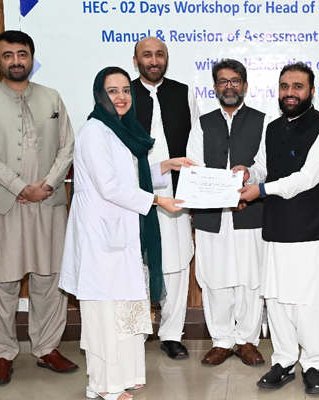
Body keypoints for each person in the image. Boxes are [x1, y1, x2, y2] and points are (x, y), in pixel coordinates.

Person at [59, 66, 195, 400]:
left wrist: (166, 166)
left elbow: (132, 175)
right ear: (99, 95)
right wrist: (158, 200)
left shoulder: (121, 130)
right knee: (106, 312)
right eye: (112, 91)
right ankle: (104, 385)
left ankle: (129, 374)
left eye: (125, 91)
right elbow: (109, 187)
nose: (120, 97)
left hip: (125, 234)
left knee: (129, 307)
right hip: (102, 238)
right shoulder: (94, 132)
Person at [0, 30, 78, 386]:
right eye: (8, 55)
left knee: (49, 280)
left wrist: (45, 185)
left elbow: (67, 147)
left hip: (47, 204)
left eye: (22, 54)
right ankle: (2, 353)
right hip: (5, 206)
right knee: (2, 282)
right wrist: (20, 187)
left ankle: (47, 348)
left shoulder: (52, 98)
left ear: (31, 57)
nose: (16, 61)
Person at [233, 62, 319, 394]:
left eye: (297, 86)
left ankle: (313, 365)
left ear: (311, 90)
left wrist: (262, 190)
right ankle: (283, 361)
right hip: (277, 227)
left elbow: (307, 178)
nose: (290, 93)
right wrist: (249, 174)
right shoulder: (274, 126)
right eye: (284, 87)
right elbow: (265, 166)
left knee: (308, 301)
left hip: (312, 229)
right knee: (277, 298)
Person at [187, 59, 271, 366]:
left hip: (250, 212)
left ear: (245, 86)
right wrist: (221, 193)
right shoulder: (203, 123)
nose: (229, 87)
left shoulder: (263, 122)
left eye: (235, 81)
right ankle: (221, 340)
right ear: (215, 88)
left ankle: (246, 339)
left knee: (250, 278)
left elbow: (264, 166)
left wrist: (247, 174)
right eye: (223, 82)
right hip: (212, 215)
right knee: (215, 278)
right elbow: (194, 168)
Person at [130, 37, 199, 359]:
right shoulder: (123, 94)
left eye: (159, 55)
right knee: (137, 263)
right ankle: (135, 330)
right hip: (134, 191)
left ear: (167, 59)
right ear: (136, 60)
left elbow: (196, 143)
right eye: (147, 55)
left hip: (176, 191)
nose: (154, 60)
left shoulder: (183, 92)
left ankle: (171, 333)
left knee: (177, 261)